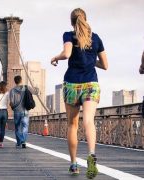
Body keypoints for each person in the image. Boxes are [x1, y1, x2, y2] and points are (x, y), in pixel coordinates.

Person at [51, 8, 108, 178]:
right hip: (91, 83)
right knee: (89, 121)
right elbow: (105, 65)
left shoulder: (68, 35)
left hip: (72, 84)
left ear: (71, 21)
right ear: (85, 19)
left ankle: (74, 164)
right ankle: (91, 156)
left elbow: (67, 53)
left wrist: (55, 57)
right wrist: (91, 61)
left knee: (72, 125)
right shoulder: (96, 38)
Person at [9, 75, 38, 149]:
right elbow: (36, 92)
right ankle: (23, 141)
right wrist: (36, 86)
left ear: (15, 81)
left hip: (17, 111)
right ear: (21, 80)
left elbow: (11, 102)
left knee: (17, 127)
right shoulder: (27, 87)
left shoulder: (12, 90)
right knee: (25, 126)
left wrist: (13, 107)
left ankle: (20, 142)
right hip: (25, 111)